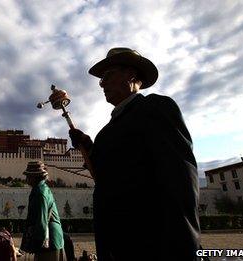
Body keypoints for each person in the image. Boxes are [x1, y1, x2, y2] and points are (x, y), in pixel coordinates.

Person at [69, 47, 200, 260]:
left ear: (130, 74)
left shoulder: (155, 108)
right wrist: (90, 147)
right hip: (116, 247)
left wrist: (183, 249)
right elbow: (108, 177)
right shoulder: (106, 132)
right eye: (101, 80)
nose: (101, 84)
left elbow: (181, 180)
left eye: (107, 76)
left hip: (151, 247)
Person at [20, 161, 66, 261]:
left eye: (28, 176)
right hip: (51, 238)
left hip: (49, 240)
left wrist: (34, 244)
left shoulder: (40, 192)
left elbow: (41, 220)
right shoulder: (41, 188)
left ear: (34, 177)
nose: (26, 178)